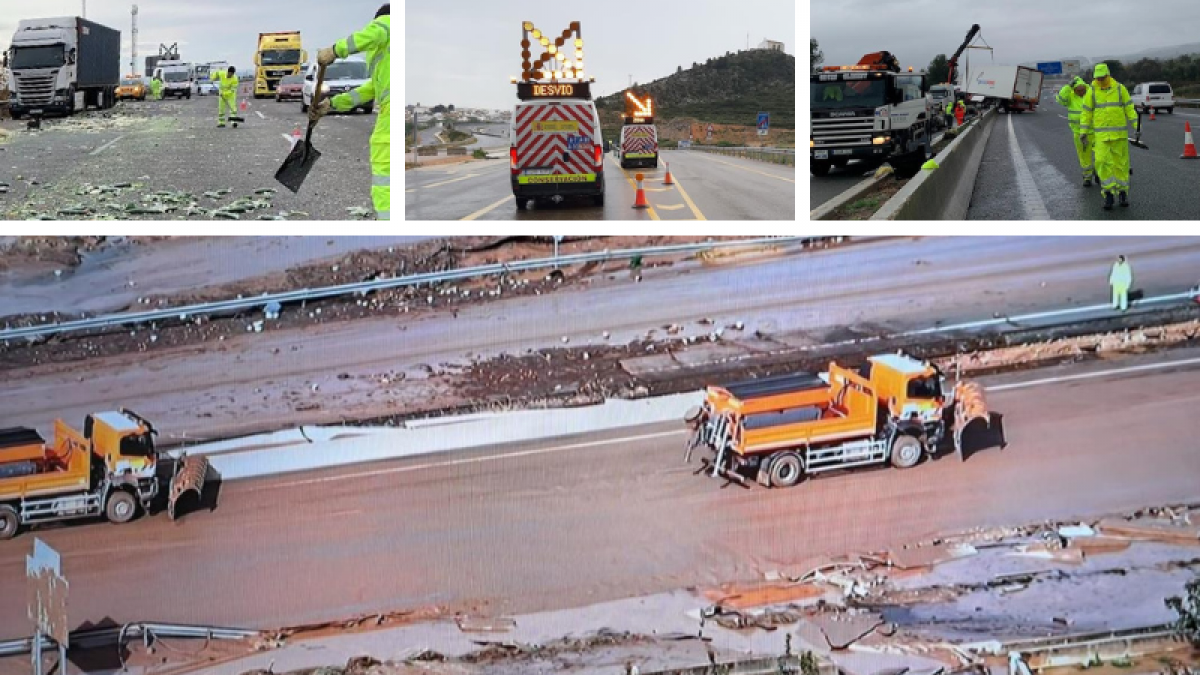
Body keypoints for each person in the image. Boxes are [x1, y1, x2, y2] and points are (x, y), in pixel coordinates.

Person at [310, 3, 390, 220]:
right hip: (389, 113)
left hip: (391, 118)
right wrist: (331, 104)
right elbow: (368, 90)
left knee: (385, 180)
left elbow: (368, 35)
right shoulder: (386, 54)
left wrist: (335, 50)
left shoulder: (387, 24)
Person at [1080, 63, 1137, 210]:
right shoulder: (1091, 91)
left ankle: (1123, 193)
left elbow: (1129, 108)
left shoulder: (1120, 89)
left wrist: (1137, 126)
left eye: (1102, 77)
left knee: (1122, 165)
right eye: (1097, 78)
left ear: (1108, 75)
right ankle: (1109, 194)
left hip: (1119, 136)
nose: (1099, 80)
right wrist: (1083, 132)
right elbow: (1086, 112)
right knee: (1101, 162)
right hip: (1101, 136)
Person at [1056, 76, 1094, 186]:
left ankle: (1098, 171)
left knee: (1100, 155)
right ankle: (1087, 177)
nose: (1081, 92)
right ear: (1074, 90)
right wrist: (1068, 86)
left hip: (1095, 131)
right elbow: (1060, 99)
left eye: (1083, 90)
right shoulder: (1070, 96)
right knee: (1084, 156)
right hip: (1078, 133)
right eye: (1078, 90)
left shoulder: (1091, 93)